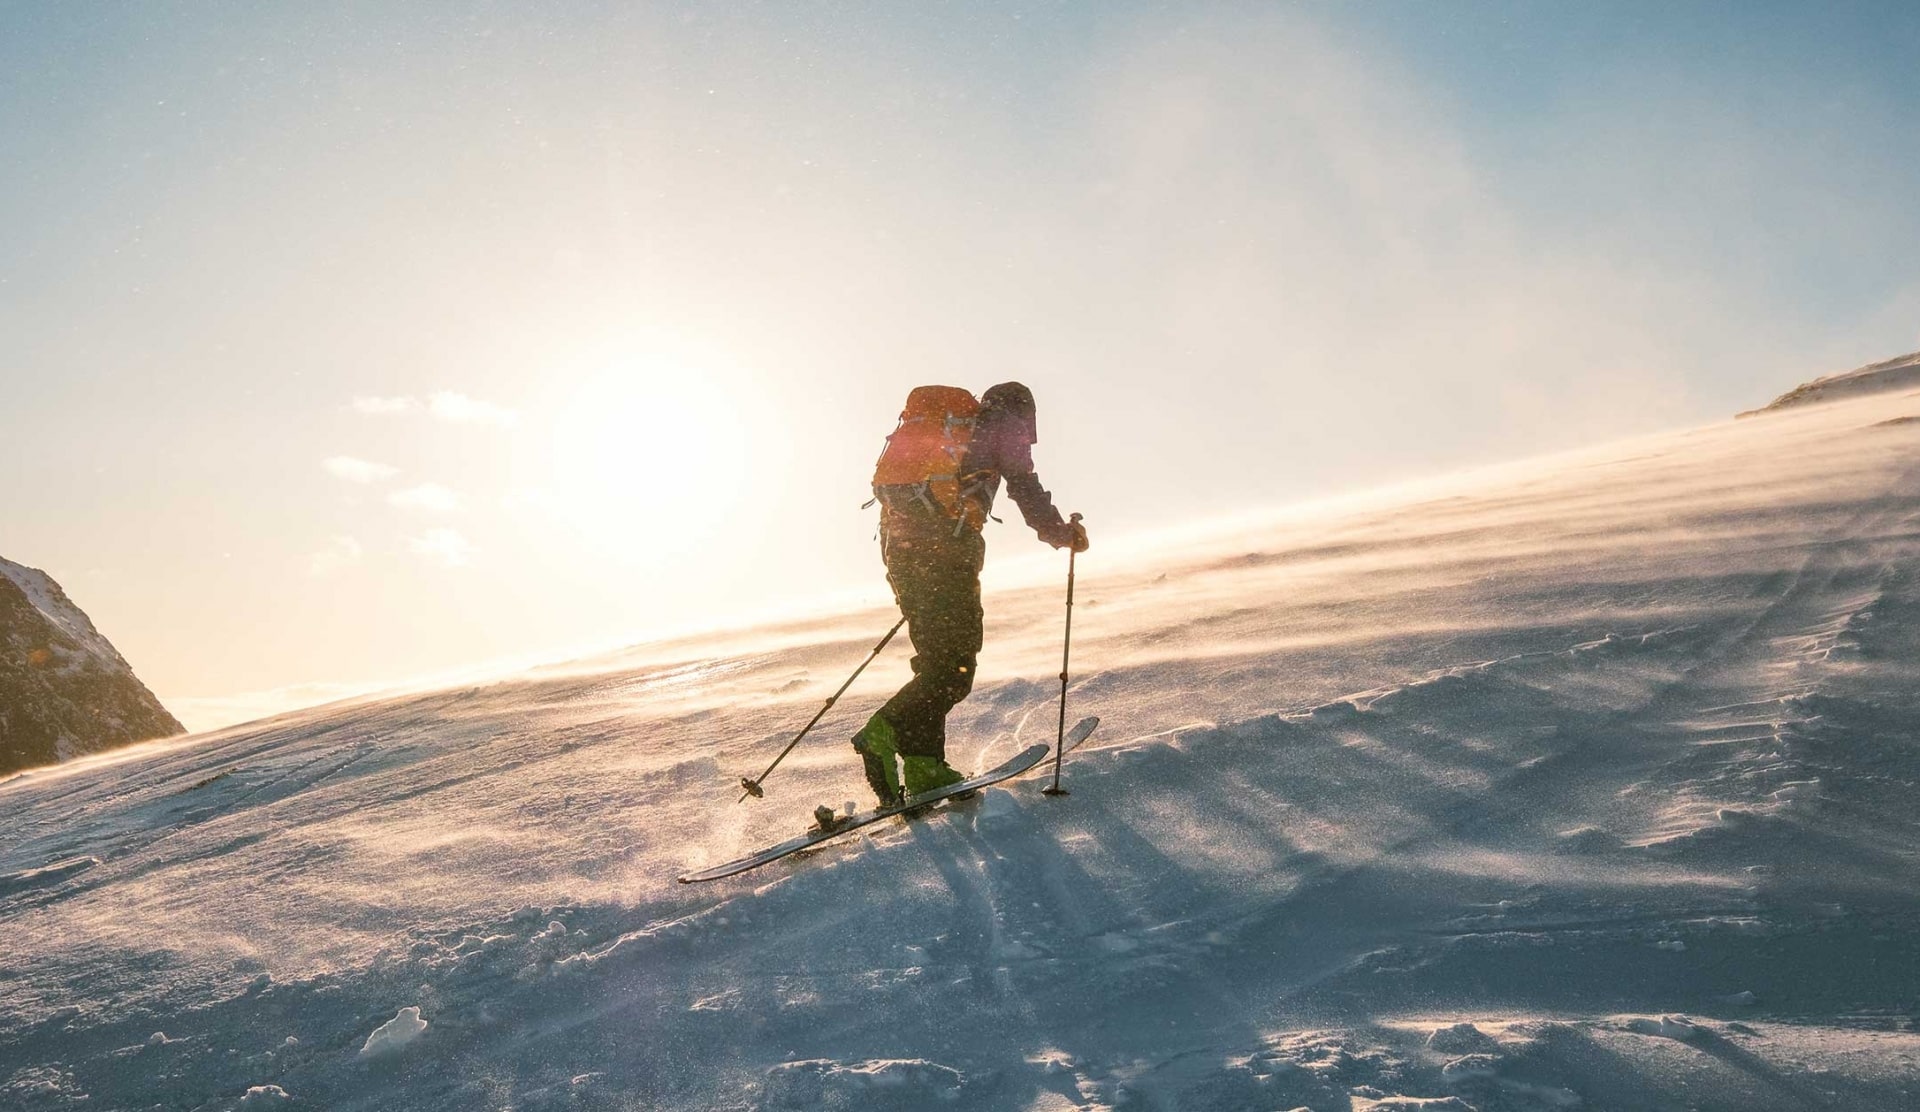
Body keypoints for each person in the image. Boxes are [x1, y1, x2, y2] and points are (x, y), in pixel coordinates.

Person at [851, 381, 1088, 806]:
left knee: (937, 662)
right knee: (955, 666)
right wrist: (1062, 534)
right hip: (944, 554)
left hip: (902, 552)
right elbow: (1023, 486)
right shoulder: (1001, 423)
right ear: (1023, 412)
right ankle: (882, 730)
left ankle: (925, 767)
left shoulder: (946, 431)